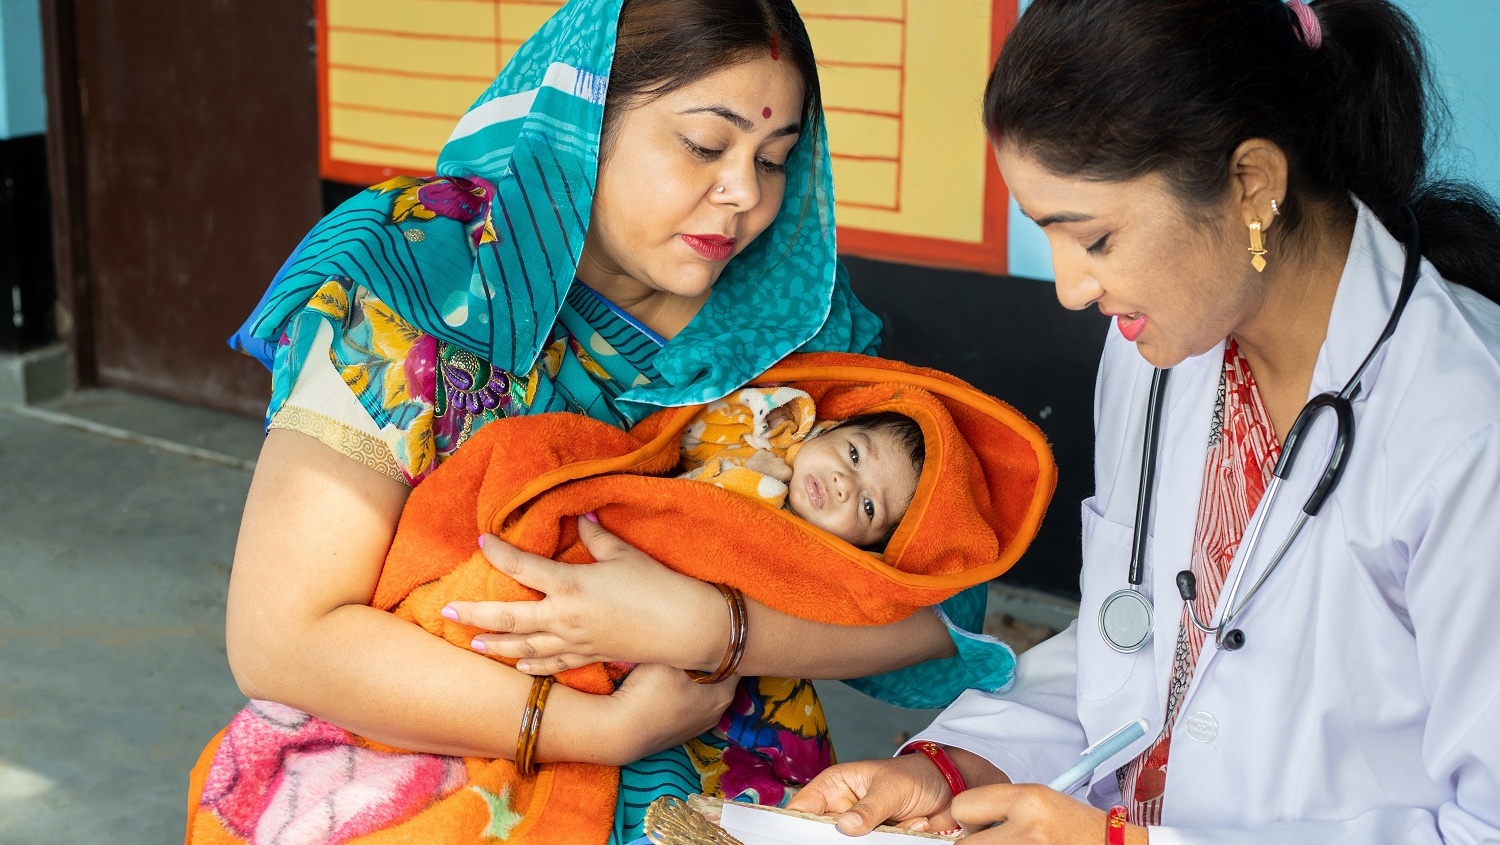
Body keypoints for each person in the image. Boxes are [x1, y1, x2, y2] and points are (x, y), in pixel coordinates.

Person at [197, 1, 1021, 842]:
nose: (744, 194)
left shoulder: (791, 320)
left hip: (729, 794)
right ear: (581, 120)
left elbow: (935, 610)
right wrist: (602, 730)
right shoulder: (421, 279)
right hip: (433, 767)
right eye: (705, 145)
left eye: (774, 160)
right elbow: (283, 640)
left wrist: (712, 625)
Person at [786, 0, 1500, 841]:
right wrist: (950, 771)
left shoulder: (1465, 429)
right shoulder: (1159, 354)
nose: (1070, 289)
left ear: (1251, 185)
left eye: (1094, 239)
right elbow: (1132, 654)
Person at [680, 387, 925, 549]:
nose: (844, 484)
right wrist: (766, 413)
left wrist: (750, 480)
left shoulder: (794, 551)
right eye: (854, 454)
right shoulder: (782, 425)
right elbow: (689, 433)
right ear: (834, 427)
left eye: (869, 506)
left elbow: (690, 519)